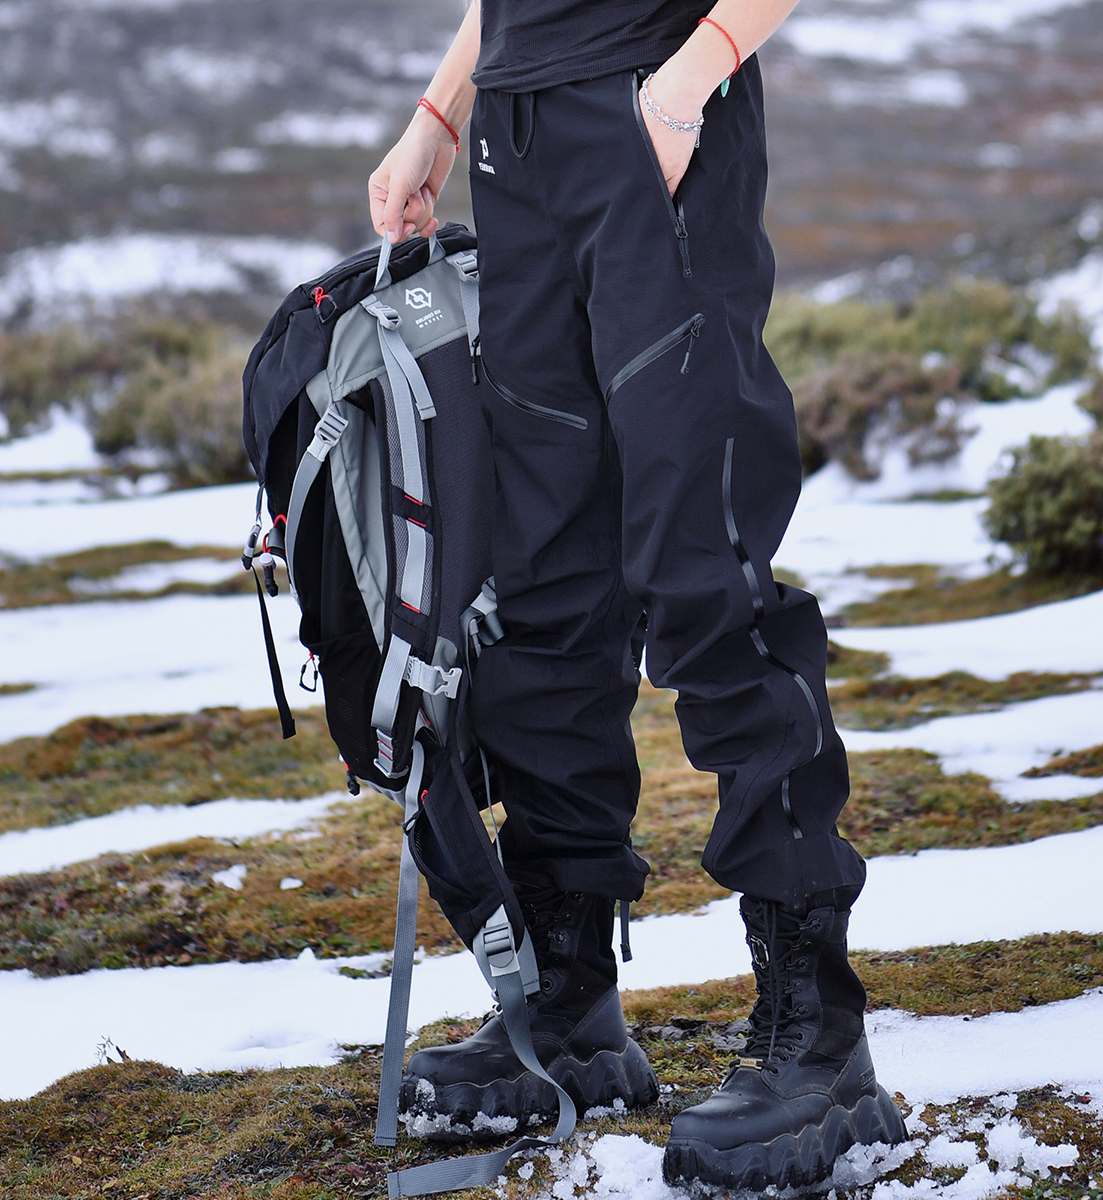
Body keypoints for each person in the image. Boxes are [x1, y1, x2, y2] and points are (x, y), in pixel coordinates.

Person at [368, 1, 906, 1189]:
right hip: (518, 131)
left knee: (698, 555)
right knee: (547, 578)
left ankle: (819, 1031)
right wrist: (440, 113)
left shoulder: (673, 100)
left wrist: (687, 83)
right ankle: (570, 999)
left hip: (654, 111)